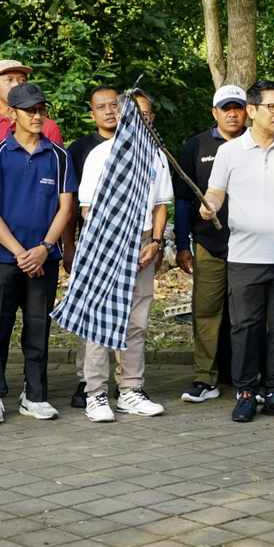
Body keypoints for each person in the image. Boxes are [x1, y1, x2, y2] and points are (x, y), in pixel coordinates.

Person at [201, 80, 274, 423]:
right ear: (252, 110)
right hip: (245, 257)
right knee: (245, 328)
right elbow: (215, 193)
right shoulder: (230, 152)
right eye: (272, 106)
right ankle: (245, 393)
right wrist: (209, 206)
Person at [0, 82, 76, 423]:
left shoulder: (59, 156)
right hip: (5, 258)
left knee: (37, 328)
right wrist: (20, 252)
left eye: (41, 109)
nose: (37, 116)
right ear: (13, 114)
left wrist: (45, 248)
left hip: (45, 258)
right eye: (30, 110)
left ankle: (35, 395)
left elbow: (66, 208)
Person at [77, 90, 173, 422]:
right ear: (121, 116)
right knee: (100, 318)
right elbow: (87, 208)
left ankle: (131, 389)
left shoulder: (157, 157)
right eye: (135, 114)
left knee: (136, 320)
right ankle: (96, 393)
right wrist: (115, 241)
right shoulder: (101, 155)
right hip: (106, 241)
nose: (140, 121)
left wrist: (155, 242)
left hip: (144, 242)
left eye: (146, 115)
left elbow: (161, 204)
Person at [174, 83, 250, 404]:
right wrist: (182, 244)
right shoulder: (196, 146)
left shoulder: (257, 143)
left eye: (237, 108)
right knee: (206, 311)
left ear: (248, 112)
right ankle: (205, 378)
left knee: (250, 314)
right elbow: (182, 200)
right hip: (209, 243)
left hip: (252, 246)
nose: (232, 114)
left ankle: (250, 378)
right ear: (214, 113)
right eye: (226, 109)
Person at [64, 84, 121, 409]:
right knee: (91, 311)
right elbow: (70, 204)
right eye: (102, 106)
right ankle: (87, 380)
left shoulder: (136, 145)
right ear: (92, 113)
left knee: (129, 314)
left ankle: (127, 383)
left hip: (130, 242)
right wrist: (69, 246)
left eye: (115, 104)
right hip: (92, 243)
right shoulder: (80, 149)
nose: (109, 111)